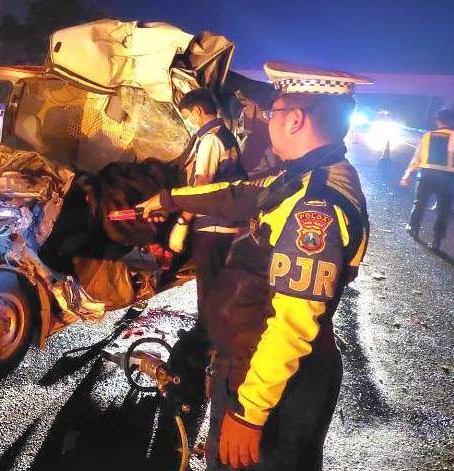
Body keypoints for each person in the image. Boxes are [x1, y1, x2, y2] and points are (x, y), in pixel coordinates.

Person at [138, 61, 372, 470]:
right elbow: (237, 193)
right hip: (252, 366)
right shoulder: (302, 176)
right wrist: (170, 199)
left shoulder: (315, 207)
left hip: (277, 388)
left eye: (273, 112)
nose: (267, 120)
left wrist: (249, 411)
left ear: (295, 119)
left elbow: (292, 326)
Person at [172, 89, 247, 312]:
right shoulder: (227, 135)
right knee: (219, 287)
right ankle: (213, 337)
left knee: (208, 291)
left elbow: (201, 186)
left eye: (188, 116)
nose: (189, 122)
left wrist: (182, 222)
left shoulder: (210, 140)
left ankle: (206, 341)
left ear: (197, 111)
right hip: (227, 223)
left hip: (212, 225)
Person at [400, 108, 454, 251]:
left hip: (428, 175)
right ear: (453, 120)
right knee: (443, 209)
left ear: (438, 120)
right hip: (448, 178)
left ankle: (413, 228)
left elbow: (417, 157)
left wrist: (407, 174)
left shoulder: (427, 136)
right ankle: (436, 240)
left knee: (420, 203)